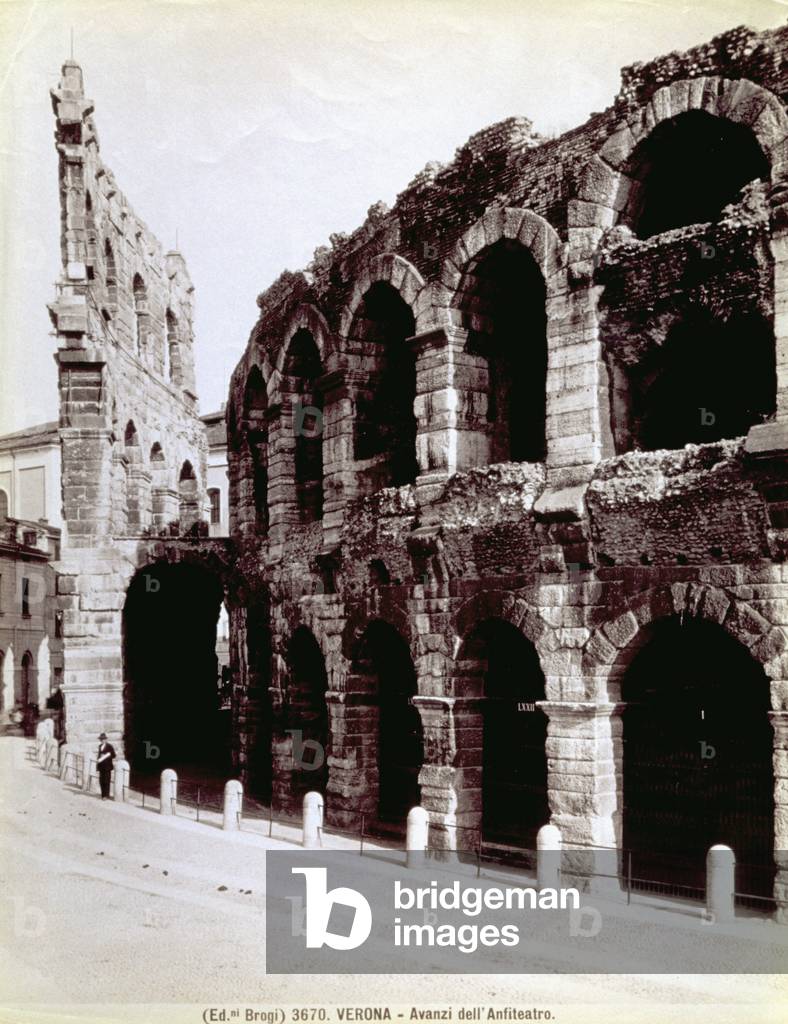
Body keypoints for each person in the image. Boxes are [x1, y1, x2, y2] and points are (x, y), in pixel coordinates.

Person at [96, 732, 115, 799]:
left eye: (103, 739)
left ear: (106, 740)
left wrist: (107, 755)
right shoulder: (100, 746)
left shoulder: (109, 746)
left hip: (107, 766)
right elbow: (99, 756)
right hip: (101, 766)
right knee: (101, 780)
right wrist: (97, 766)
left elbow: (114, 755)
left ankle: (106, 795)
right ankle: (103, 794)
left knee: (106, 780)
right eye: (101, 739)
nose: (102, 740)